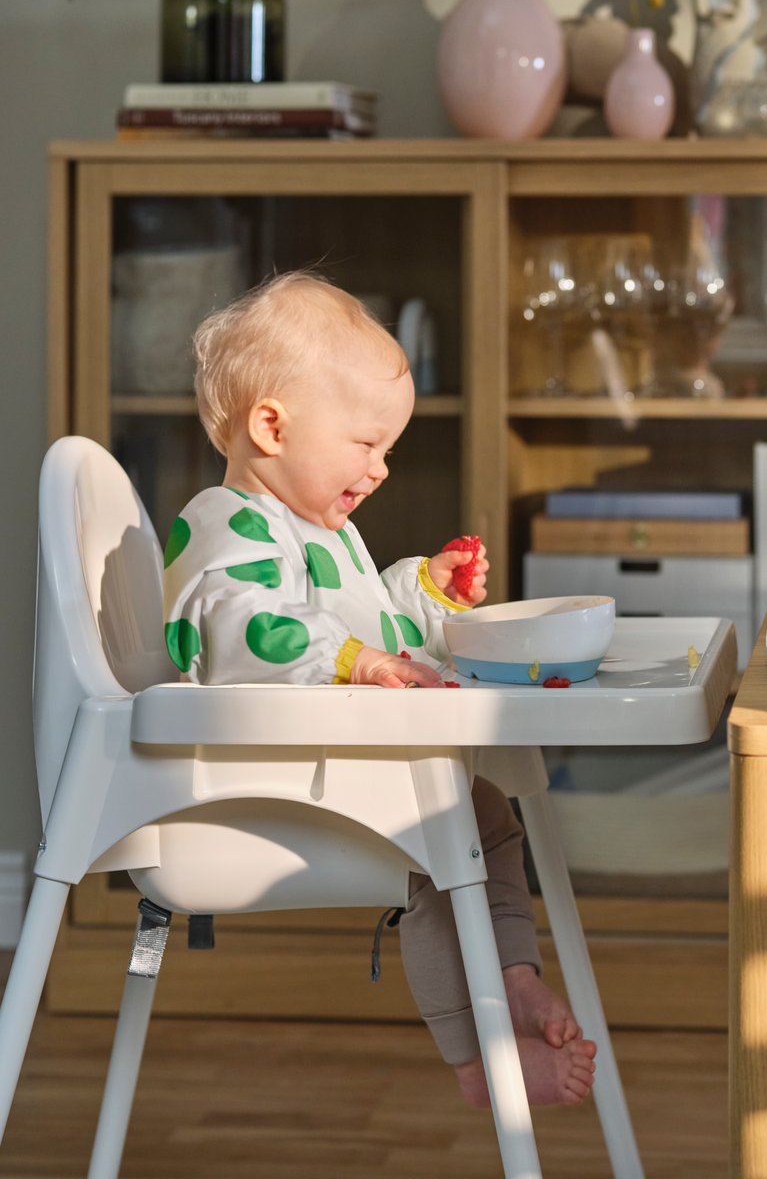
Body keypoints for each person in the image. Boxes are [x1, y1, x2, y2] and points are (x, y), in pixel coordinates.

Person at [162, 270, 596, 1110]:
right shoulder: (228, 526)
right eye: (366, 444)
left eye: (388, 450)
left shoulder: (323, 533)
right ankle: (477, 1064)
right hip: (257, 787)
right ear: (271, 426)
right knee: (445, 836)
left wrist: (425, 594)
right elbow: (241, 629)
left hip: (328, 765)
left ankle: (510, 978)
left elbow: (362, 625)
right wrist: (356, 662)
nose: (382, 468)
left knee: (486, 814)